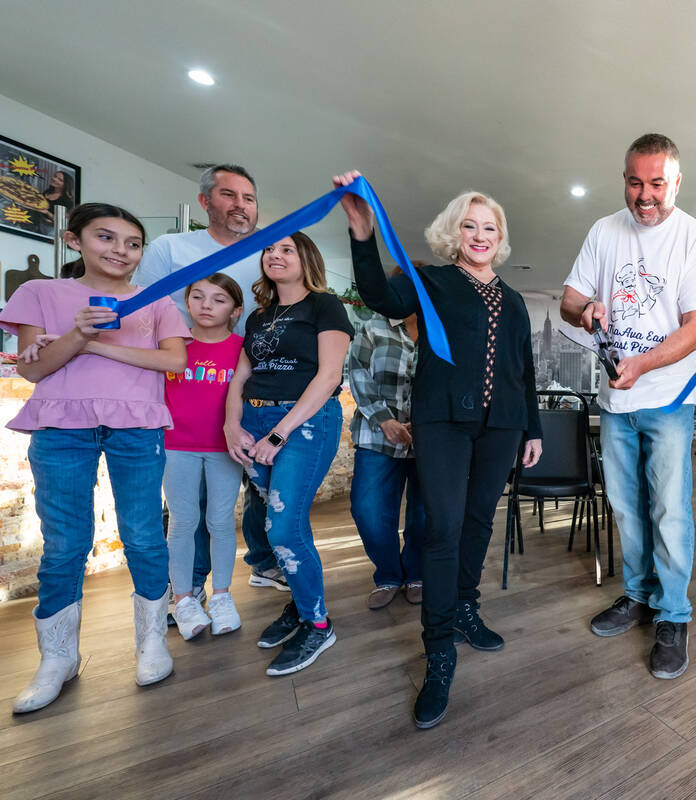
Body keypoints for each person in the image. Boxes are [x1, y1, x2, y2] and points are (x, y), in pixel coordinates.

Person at [336, 171, 543, 729]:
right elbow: (379, 296)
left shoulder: (517, 301)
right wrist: (362, 233)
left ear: (501, 237)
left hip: (501, 427)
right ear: (454, 233)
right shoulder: (431, 281)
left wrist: (533, 430)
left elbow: (523, 371)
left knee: (478, 522)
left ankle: (466, 608)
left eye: (489, 227)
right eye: (469, 225)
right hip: (441, 423)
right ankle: (440, 653)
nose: (480, 234)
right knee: (444, 528)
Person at [3, 203, 189, 713]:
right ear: (74, 239)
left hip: (138, 425)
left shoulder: (155, 301)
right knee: (65, 542)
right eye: (106, 238)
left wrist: (96, 347)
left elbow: (175, 359)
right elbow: (34, 372)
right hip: (61, 426)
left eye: (132, 243)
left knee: (145, 533)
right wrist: (79, 333)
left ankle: (152, 641)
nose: (120, 251)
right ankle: (57, 657)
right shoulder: (40, 293)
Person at [560, 133, 696, 680]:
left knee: (669, 509)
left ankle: (673, 615)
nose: (645, 195)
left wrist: (643, 365)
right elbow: (569, 300)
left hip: (669, 397)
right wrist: (587, 311)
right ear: (623, 179)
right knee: (625, 505)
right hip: (615, 400)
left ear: (676, 182)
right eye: (635, 182)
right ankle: (638, 595)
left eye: (657, 183)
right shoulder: (604, 231)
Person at [134, 164, 287, 599]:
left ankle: (261, 562)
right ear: (205, 202)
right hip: (188, 386)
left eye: (249, 198)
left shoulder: (265, 255)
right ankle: (188, 586)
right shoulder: (171, 248)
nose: (241, 205)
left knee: (257, 485)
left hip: (250, 384)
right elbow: (143, 313)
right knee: (189, 504)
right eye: (229, 195)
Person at [224, 232, 353, 676]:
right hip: (255, 422)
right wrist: (232, 425)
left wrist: (278, 434)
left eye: (286, 250)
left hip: (304, 423)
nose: (274, 255)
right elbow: (241, 378)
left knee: (282, 526)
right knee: (272, 522)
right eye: (269, 249)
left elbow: (330, 375)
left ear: (307, 260)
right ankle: (301, 607)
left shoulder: (325, 306)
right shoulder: (259, 316)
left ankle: (318, 624)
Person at [164, 273, 246, 639]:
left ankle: (223, 596)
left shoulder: (244, 348)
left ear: (235, 310)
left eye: (218, 299)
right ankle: (182, 599)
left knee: (220, 521)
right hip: (175, 445)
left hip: (223, 448)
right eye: (197, 297)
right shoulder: (172, 345)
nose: (206, 306)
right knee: (182, 521)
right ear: (187, 303)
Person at [347, 304, 427, 609]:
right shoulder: (371, 326)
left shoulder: (439, 330)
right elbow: (358, 373)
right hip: (377, 434)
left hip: (428, 439)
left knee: (423, 513)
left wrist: (423, 423)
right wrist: (385, 420)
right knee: (368, 510)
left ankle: (417, 573)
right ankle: (389, 575)